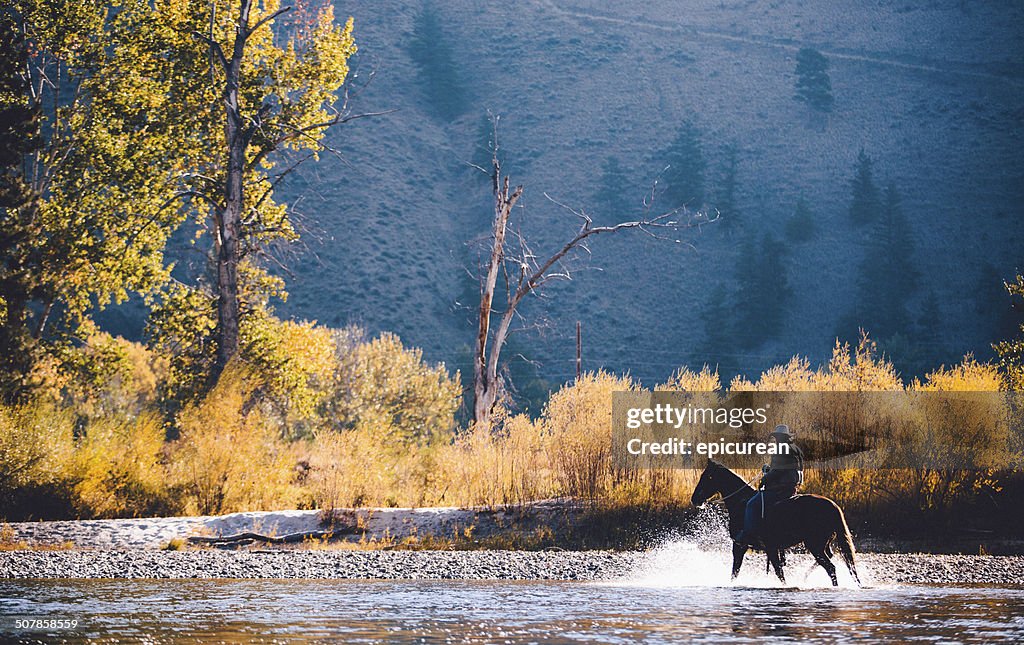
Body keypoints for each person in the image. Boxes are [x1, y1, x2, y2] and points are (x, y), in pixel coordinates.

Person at [735, 424, 804, 547]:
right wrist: (769, 469)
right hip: (791, 487)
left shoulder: (781, 448)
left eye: (778, 437)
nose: (776, 439)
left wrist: (765, 479)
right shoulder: (795, 449)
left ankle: (749, 535)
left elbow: (778, 471)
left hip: (780, 489)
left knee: (752, 504)